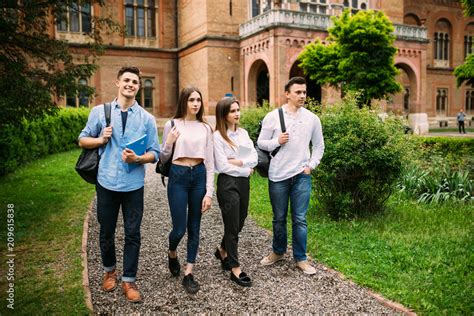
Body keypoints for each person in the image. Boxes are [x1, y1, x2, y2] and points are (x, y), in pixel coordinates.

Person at [78, 66, 160, 302]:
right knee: (106, 232)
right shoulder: (99, 112)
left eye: (135, 81)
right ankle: (109, 271)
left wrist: (139, 159)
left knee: (133, 233)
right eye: (126, 80)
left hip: (134, 185)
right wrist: (100, 139)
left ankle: (129, 280)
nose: (130, 84)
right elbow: (82, 140)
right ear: (117, 83)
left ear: (138, 86)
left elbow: (155, 153)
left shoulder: (147, 119)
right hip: (106, 182)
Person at [257, 77, 324, 275]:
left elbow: (319, 146)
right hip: (278, 175)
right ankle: (277, 252)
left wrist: (311, 166)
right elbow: (261, 142)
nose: (302, 96)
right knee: (278, 218)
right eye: (298, 92)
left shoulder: (312, 118)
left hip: (301, 175)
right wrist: (276, 141)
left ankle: (301, 258)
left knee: (300, 219)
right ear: (287, 94)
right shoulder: (273, 117)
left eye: (304, 92)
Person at [160, 86, 214, 294]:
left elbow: (210, 163)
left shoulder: (206, 128)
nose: (195, 103)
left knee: (195, 227)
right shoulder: (172, 125)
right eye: (191, 99)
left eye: (198, 100)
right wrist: (169, 142)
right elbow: (163, 159)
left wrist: (209, 192)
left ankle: (189, 273)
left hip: (198, 176)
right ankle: (172, 252)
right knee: (179, 229)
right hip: (178, 176)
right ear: (184, 101)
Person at [213, 97, 258, 287]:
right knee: (232, 225)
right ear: (224, 114)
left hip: (243, 183)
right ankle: (235, 267)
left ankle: (222, 249)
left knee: (241, 219)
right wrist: (243, 165)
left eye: (238, 110)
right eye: (232, 111)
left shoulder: (244, 134)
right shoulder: (217, 136)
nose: (237, 114)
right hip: (227, 183)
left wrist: (237, 161)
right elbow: (222, 166)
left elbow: (254, 157)